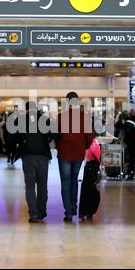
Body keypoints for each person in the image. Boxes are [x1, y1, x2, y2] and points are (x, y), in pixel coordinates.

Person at [56, 92, 94, 222]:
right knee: (74, 181)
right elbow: (90, 138)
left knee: (65, 183)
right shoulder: (85, 117)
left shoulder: (61, 117)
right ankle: (73, 207)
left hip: (64, 153)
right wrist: (83, 146)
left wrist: (59, 145)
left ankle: (68, 212)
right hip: (78, 154)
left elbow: (56, 135)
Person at [18, 101, 53, 223]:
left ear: (26, 109)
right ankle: (41, 212)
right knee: (42, 186)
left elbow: (12, 137)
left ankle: (33, 214)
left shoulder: (21, 120)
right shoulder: (44, 119)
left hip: (27, 156)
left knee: (30, 186)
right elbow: (53, 134)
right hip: (43, 156)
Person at [120, 111, 135, 180]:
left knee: (129, 159)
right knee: (132, 159)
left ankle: (130, 173)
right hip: (134, 144)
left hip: (129, 144)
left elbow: (127, 134)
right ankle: (132, 172)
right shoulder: (133, 124)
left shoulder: (126, 125)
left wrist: (124, 140)